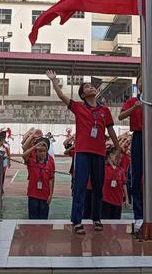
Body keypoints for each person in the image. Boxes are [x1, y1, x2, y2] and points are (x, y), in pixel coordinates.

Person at [46, 70, 120, 235]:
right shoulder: (78, 107)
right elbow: (61, 96)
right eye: (87, 87)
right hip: (83, 153)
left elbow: (111, 129)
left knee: (98, 187)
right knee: (80, 187)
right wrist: (54, 81)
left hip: (99, 153)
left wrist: (118, 147)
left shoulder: (104, 111)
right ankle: (77, 221)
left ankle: (96, 218)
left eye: (92, 86)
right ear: (83, 94)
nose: (91, 87)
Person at [118, 74, 152, 232]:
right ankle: (138, 216)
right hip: (139, 137)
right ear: (137, 84)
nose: (142, 84)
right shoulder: (132, 101)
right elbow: (121, 116)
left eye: (145, 80)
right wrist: (135, 108)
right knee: (137, 176)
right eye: (140, 81)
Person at [22, 138, 55, 220]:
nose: (42, 153)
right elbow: (24, 155)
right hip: (33, 194)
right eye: (40, 151)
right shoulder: (31, 160)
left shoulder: (50, 161)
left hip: (45, 194)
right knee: (33, 218)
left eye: (44, 151)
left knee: (43, 219)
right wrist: (35, 146)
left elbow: (51, 179)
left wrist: (51, 194)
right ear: (36, 152)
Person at [102, 146, 128, 219]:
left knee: (116, 223)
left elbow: (124, 184)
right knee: (105, 222)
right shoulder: (104, 168)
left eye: (120, 159)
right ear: (110, 155)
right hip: (106, 200)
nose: (119, 160)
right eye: (117, 157)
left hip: (118, 202)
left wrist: (126, 199)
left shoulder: (121, 170)